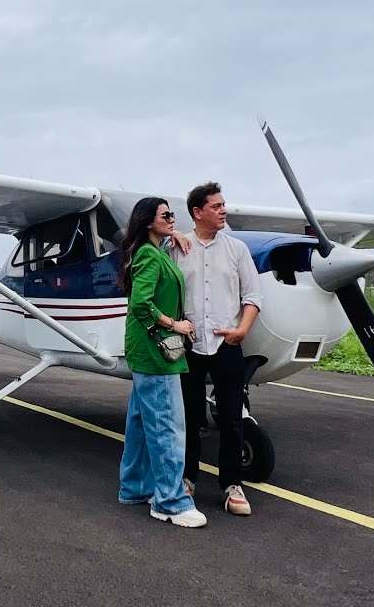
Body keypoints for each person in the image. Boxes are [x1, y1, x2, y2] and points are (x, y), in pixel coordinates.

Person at [168, 182, 263, 516]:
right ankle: (187, 478)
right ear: (197, 212)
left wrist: (241, 330)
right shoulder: (175, 248)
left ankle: (232, 484)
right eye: (216, 206)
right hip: (189, 344)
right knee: (190, 417)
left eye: (224, 205)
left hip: (226, 343)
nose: (224, 210)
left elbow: (252, 296)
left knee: (232, 418)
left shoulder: (237, 250)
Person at [117, 197, 207, 528]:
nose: (172, 218)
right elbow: (141, 305)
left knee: (141, 423)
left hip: (147, 349)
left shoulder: (152, 251)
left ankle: (134, 487)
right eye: (165, 215)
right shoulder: (147, 256)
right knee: (168, 424)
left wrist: (175, 234)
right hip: (156, 351)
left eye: (173, 214)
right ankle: (169, 501)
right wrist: (176, 325)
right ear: (147, 222)